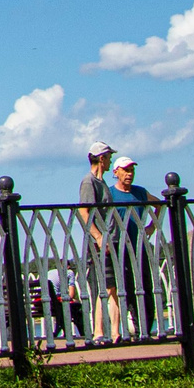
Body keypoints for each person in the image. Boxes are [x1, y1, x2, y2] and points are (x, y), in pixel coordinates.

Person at [102, 157, 160, 338]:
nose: (129, 174)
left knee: (146, 287)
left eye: (132, 171)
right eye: (125, 170)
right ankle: (126, 329)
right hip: (119, 248)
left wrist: (152, 226)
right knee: (124, 288)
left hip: (139, 246)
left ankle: (145, 329)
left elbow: (158, 204)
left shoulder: (140, 193)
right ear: (116, 172)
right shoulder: (109, 194)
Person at [77, 142, 117, 336]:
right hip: (100, 244)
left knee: (113, 288)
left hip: (110, 241)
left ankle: (115, 332)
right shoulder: (89, 182)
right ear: (102, 159)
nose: (111, 162)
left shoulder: (101, 182)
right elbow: (84, 212)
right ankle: (99, 332)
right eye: (109, 157)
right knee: (105, 287)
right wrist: (99, 237)